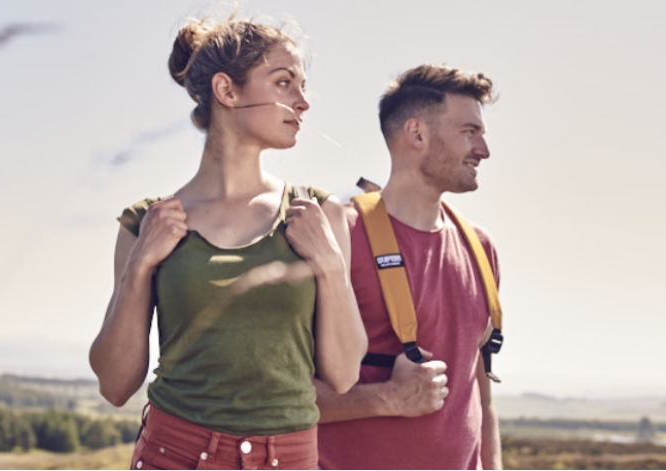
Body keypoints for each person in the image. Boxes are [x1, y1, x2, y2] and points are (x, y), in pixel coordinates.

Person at [89, 13, 367, 470]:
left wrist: (331, 267)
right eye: (283, 83)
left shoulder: (318, 214)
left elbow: (343, 373)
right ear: (227, 91)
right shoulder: (147, 222)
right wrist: (139, 266)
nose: (302, 102)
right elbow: (115, 385)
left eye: (302, 85)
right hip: (172, 455)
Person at [315, 64, 503, 469]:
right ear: (417, 133)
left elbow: (481, 396)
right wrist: (387, 398)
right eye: (469, 133)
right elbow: (282, 395)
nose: (483, 151)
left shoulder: (481, 248)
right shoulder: (338, 234)